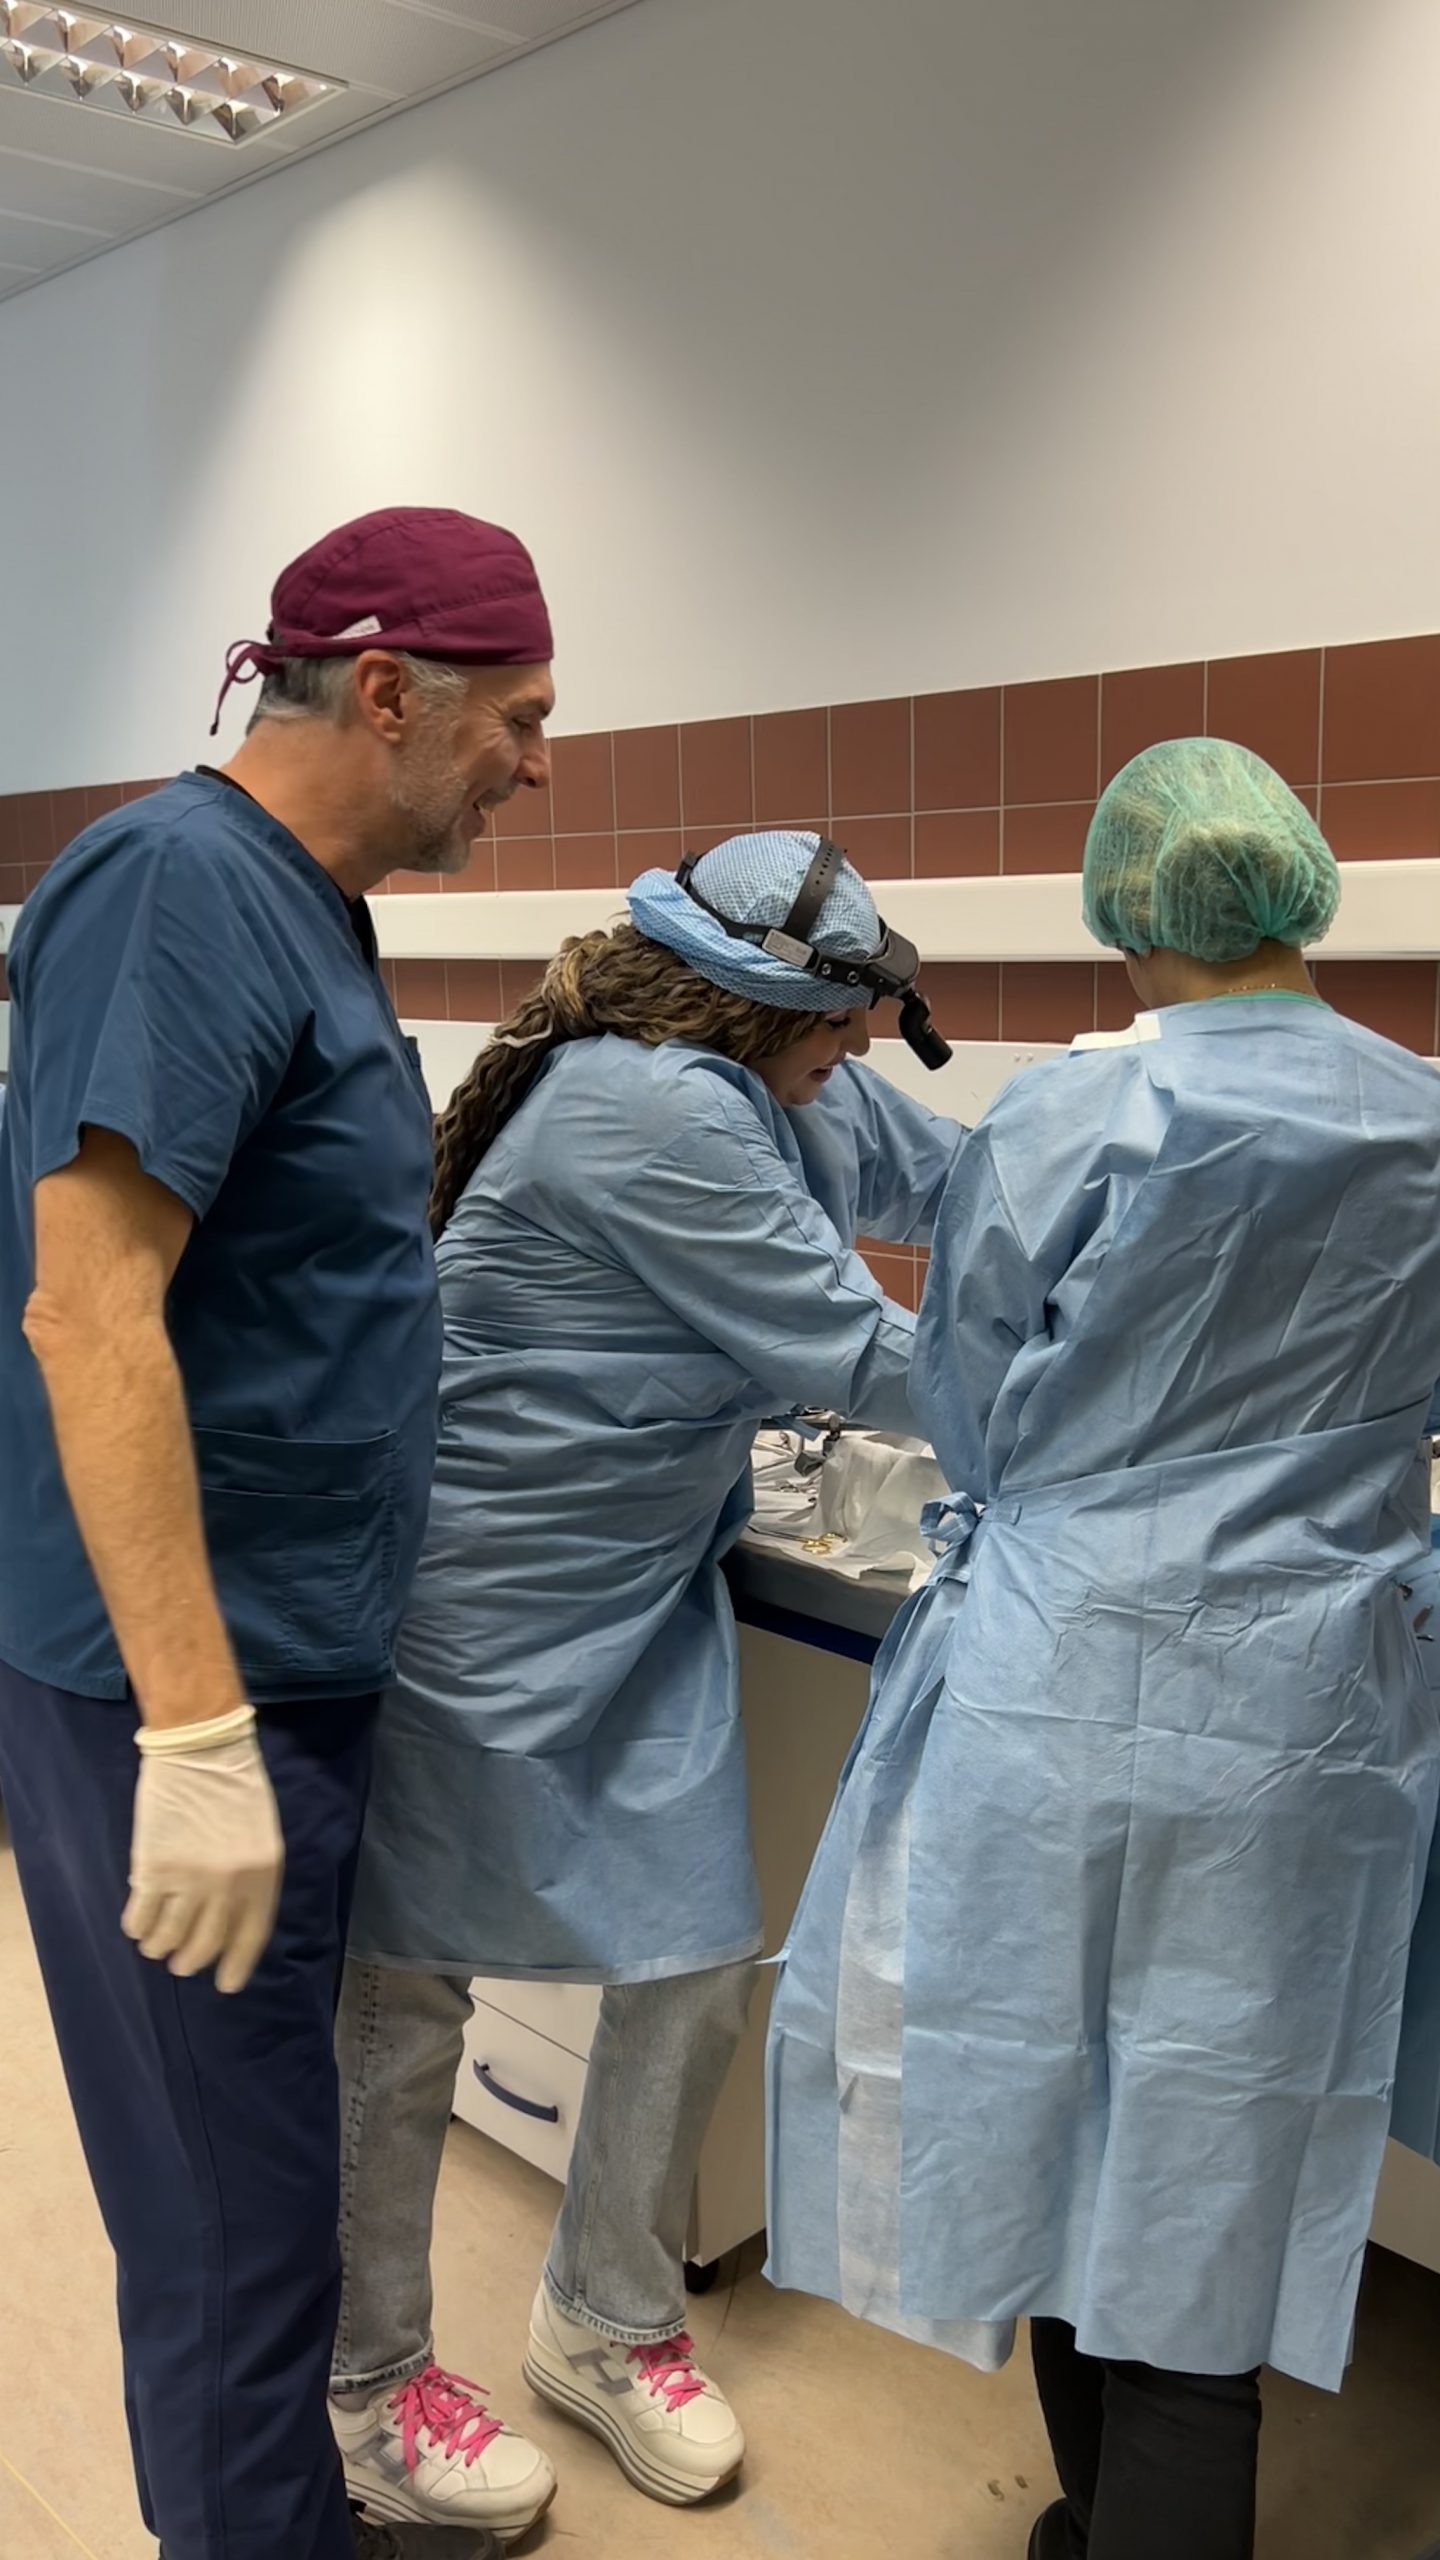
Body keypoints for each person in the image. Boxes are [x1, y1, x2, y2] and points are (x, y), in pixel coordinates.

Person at [764, 740, 1440, 2560]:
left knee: (1044, 2105)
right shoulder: (1426, 1117)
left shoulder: (1064, 1123)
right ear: (1302, 893)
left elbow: (969, 1415)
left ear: (1120, 908)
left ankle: (1105, 2519)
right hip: (1306, 1713)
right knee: (1211, 2146)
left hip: (1053, 1686)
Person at [0, 506, 555, 2560]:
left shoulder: (305, 904)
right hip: (178, 1687)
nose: (541, 761)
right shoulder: (174, 887)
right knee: (236, 2252)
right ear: (389, 688)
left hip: (270, 1665)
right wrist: (198, 1732)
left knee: (249, 2218)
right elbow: (91, 1304)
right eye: (521, 716)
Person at [326, 831, 964, 2539]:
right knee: (408, 2009)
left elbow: (955, 1184)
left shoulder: (781, 1078)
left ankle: (603, 2322)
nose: (852, 1066)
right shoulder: (651, 1108)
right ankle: (368, 2383)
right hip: (479, 1597)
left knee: (686, 1961)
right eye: (842, 1031)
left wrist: (1151, 1193)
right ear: (757, 1006)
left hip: (645, 1593)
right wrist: (1133, 1418)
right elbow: (860, 1349)